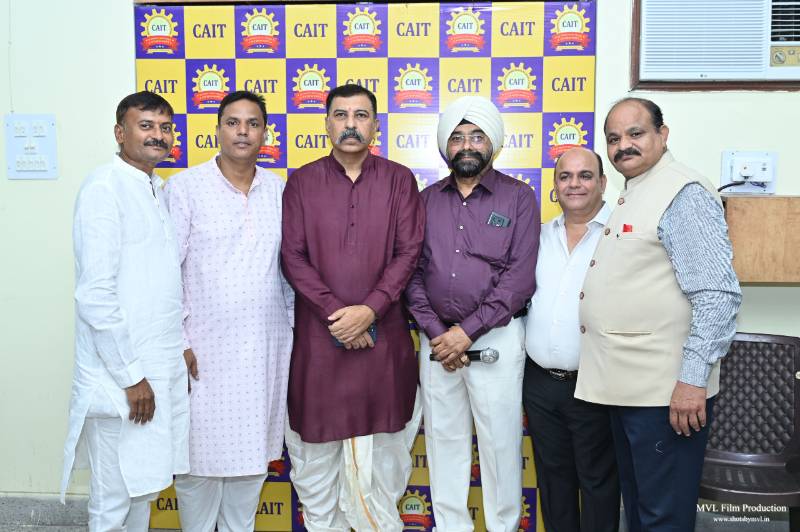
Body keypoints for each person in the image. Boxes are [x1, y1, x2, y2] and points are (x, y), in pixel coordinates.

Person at [575, 97, 742, 532]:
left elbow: (717, 294)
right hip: (628, 391)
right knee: (640, 509)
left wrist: (692, 380)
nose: (623, 146)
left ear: (662, 135)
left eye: (635, 133)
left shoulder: (682, 193)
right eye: (613, 139)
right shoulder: (635, 192)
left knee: (662, 517)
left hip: (666, 396)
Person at [280, 84, 425, 532]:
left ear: (375, 126)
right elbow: (293, 258)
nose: (350, 125)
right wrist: (340, 317)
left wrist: (370, 311)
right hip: (320, 345)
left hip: (383, 346)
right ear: (326, 124)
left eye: (360, 116)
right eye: (340, 115)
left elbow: (409, 252)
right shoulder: (302, 182)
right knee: (316, 461)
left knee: (385, 460)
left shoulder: (399, 180)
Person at [405, 96, 539, 532]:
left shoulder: (518, 198)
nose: (467, 145)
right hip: (437, 343)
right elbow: (411, 274)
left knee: (500, 445)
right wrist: (438, 333)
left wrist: (466, 333)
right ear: (446, 146)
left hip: (495, 338)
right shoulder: (425, 200)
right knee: (444, 444)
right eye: (457, 137)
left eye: (477, 136)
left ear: (493, 144)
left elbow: (518, 279)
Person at [164, 90, 294, 532]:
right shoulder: (184, 188)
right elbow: (166, 273)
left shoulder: (280, 191)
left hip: (264, 352)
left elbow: (290, 273)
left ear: (265, 133)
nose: (243, 131)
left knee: (251, 466)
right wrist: (177, 342)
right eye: (233, 122)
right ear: (217, 129)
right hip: (202, 353)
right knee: (197, 466)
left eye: (253, 123)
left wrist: (294, 334)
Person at [60, 91, 189, 531]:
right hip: (122, 381)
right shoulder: (104, 189)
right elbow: (95, 295)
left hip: (156, 371)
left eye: (165, 127)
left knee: (144, 488)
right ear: (120, 132)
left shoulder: (158, 189)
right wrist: (131, 377)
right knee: (113, 499)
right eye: (145, 126)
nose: (158, 135)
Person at [523, 147, 619, 532]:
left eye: (585, 176)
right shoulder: (538, 236)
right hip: (540, 383)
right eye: (565, 176)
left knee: (598, 482)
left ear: (603, 183)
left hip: (596, 383)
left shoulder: (622, 235)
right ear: (555, 185)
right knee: (553, 481)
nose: (574, 184)